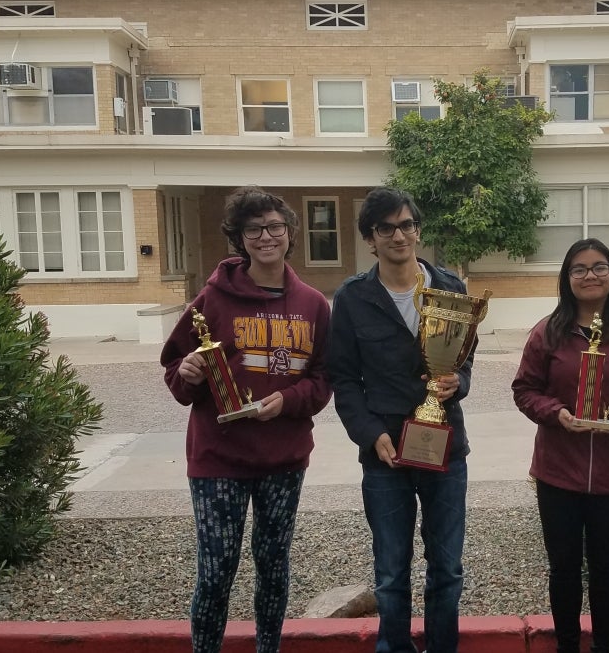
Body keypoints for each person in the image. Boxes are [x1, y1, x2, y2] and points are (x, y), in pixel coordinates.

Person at [160, 186, 332, 653]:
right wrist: (189, 371)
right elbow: (176, 370)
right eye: (253, 229)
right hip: (219, 458)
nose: (266, 237)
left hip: (284, 458)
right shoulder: (212, 300)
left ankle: (268, 648)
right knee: (216, 571)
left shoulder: (314, 305)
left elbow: (322, 380)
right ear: (239, 238)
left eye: (275, 227)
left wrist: (288, 400)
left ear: (290, 233)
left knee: (273, 567)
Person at [327, 187, 472, 653]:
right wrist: (371, 436)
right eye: (386, 227)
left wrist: (458, 383)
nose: (399, 235)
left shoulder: (450, 287)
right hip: (385, 453)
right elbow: (344, 380)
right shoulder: (352, 298)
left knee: (447, 569)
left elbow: (464, 360)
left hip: (446, 447)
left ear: (418, 230)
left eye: (407, 224)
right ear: (371, 238)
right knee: (391, 572)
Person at [512, 238, 609, 653]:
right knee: (563, 569)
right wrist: (556, 412)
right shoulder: (547, 333)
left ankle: (603, 645)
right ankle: (567, 645)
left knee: (605, 569)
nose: (590, 275)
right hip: (558, 472)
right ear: (567, 279)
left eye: (599, 267)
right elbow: (525, 389)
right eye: (579, 269)